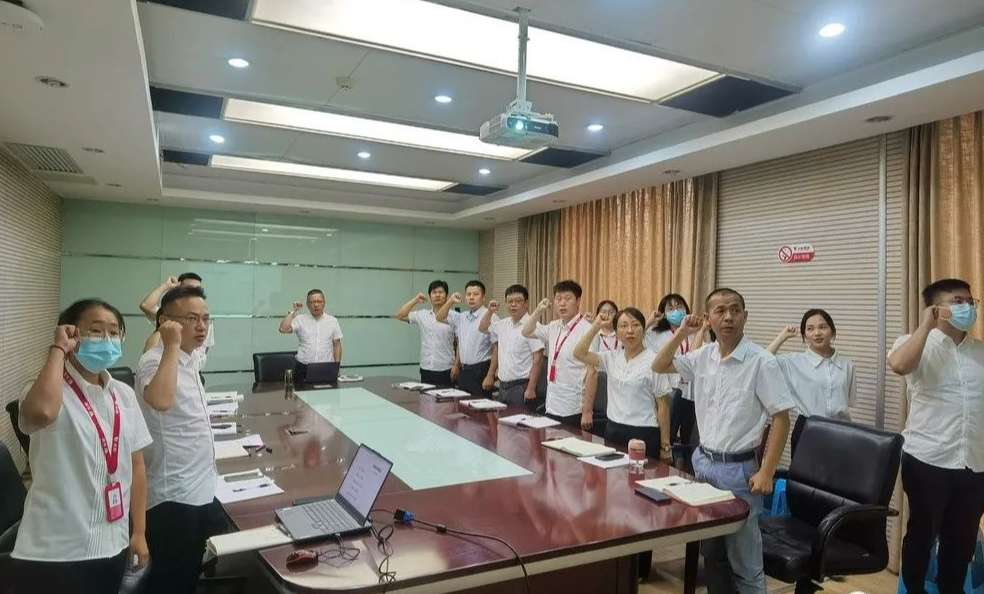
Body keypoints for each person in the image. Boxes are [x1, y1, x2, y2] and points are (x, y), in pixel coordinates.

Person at [652, 288, 793, 594]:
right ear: (709, 318)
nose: (728, 317)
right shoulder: (703, 356)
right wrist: (682, 333)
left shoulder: (762, 361)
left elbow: (781, 419)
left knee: (746, 564)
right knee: (713, 555)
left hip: (739, 471)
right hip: (704, 464)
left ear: (745, 316)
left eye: (735, 310)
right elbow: (659, 365)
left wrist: (767, 471)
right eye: (720, 311)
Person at [11, 299, 152, 594]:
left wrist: (138, 531)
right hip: (55, 552)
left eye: (114, 332)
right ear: (71, 334)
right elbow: (42, 413)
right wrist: (58, 349)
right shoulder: (43, 390)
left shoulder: (123, 395)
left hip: (113, 544)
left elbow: (137, 466)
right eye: (96, 331)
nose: (107, 340)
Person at [888, 278, 984, 594]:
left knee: (962, 541)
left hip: (975, 463)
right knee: (921, 536)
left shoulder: (980, 351)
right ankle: (913, 589)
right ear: (936, 308)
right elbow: (899, 365)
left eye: (970, 301)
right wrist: (925, 326)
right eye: (958, 301)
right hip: (928, 459)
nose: (968, 307)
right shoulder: (913, 343)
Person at [136, 286, 220, 594]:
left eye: (205, 319)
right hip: (174, 495)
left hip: (200, 486)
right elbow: (161, 400)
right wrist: (170, 344)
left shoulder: (191, 357)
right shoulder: (153, 360)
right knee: (170, 580)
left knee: (187, 572)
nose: (201, 326)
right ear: (166, 322)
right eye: (192, 319)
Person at [574, 307, 672, 458]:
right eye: (623, 326)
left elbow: (663, 406)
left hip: (644, 433)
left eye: (635, 325)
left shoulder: (654, 361)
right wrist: (596, 326)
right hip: (613, 430)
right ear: (617, 333)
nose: (630, 331)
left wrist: (665, 446)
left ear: (643, 330)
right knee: (613, 473)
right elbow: (579, 353)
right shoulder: (611, 358)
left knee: (641, 472)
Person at [522, 280, 598, 430]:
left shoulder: (588, 330)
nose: (562, 303)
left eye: (567, 299)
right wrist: (538, 310)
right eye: (558, 299)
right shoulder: (553, 326)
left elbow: (592, 373)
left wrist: (587, 411)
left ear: (578, 301)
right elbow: (526, 331)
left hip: (573, 408)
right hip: (551, 404)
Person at [766, 309, 856, 423]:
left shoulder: (847, 365)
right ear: (805, 336)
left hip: (841, 428)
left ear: (833, 332)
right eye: (810, 329)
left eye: (822, 327)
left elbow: (848, 402)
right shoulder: (793, 362)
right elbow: (763, 362)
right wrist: (782, 337)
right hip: (808, 428)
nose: (817, 333)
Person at [645, 293, 703, 458]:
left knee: (688, 438)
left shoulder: (693, 332)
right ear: (663, 313)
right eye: (670, 308)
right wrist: (650, 321)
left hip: (690, 391)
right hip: (668, 390)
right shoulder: (655, 334)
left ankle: (685, 465)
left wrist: (700, 330)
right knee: (668, 433)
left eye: (679, 307)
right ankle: (665, 456)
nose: (676, 311)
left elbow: (694, 356)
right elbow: (635, 341)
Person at [478, 284, 545, 407]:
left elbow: (538, 359)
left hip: (521, 386)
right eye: (510, 301)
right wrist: (490, 311)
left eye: (518, 301)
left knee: (519, 419)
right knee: (502, 419)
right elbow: (482, 328)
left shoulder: (533, 326)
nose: (513, 304)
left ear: (526, 303)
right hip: (503, 385)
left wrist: (531, 388)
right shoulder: (502, 324)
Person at [139, 273, 214, 370]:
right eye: (192, 318)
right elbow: (146, 305)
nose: (202, 326)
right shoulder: (172, 315)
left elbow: (204, 350)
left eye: (197, 290)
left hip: (193, 368)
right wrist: (166, 286)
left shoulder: (205, 321)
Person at [394, 280, 459, 386]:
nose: (437, 295)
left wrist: (456, 365)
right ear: (429, 296)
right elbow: (400, 315)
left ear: (447, 296)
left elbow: (460, 343)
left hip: (446, 368)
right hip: (426, 368)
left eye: (441, 292)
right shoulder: (422, 315)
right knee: (426, 397)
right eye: (434, 292)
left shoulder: (455, 316)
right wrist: (415, 300)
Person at [437, 280, 496, 397]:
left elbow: (496, 349)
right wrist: (450, 301)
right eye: (468, 294)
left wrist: (490, 375)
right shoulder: (462, 317)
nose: (471, 297)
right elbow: (439, 317)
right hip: (464, 370)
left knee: (480, 405)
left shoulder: (491, 316)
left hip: (481, 370)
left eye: (476, 294)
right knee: (463, 405)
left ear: (483, 297)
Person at [278, 289, 344, 383]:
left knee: (328, 392)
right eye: (312, 302)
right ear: (308, 304)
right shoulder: (300, 319)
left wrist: (336, 367)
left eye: (319, 301)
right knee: (301, 392)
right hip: (303, 367)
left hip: (326, 367)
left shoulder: (333, 321)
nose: (316, 305)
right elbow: (283, 329)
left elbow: (337, 344)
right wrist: (293, 312)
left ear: (324, 303)